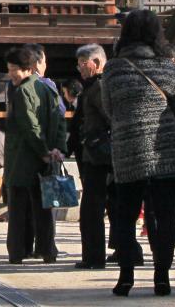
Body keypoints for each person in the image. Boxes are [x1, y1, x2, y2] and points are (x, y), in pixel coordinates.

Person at [102, 11, 175, 297]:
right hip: (165, 150)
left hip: (128, 148)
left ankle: (125, 277)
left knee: (125, 215)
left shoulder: (113, 68)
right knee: (163, 215)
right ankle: (162, 277)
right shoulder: (167, 66)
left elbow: (108, 109)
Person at [3, 44, 67, 265]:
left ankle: (17, 252)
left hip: (23, 158)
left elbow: (30, 127)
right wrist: (57, 149)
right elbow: (60, 121)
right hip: (46, 158)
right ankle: (48, 250)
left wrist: (42, 152)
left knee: (18, 208)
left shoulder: (22, 92)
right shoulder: (49, 88)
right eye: (9, 69)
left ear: (28, 68)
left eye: (14, 69)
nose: (11, 74)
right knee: (44, 207)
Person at [68, 44, 112, 270]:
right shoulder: (95, 86)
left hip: (99, 153)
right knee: (110, 205)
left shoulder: (99, 87)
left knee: (92, 208)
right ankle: (127, 250)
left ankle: (94, 256)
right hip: (100, 153)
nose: (80, 68)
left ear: (96, 63)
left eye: (83, 63)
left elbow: (108, 118)